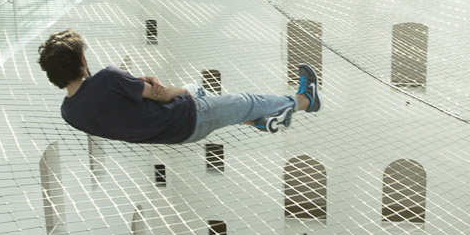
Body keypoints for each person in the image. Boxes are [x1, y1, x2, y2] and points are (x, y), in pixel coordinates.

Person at [39, 29, 320, 144]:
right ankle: (305, 100)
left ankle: (261, 121)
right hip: (186, 115)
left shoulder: (69, 113)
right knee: (244, 101)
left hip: (176, 136)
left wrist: (134, 86)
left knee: (200, 90)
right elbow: (163, 96)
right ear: (81, 60)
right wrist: (176, 91)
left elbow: (115, 111)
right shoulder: (107, 78)